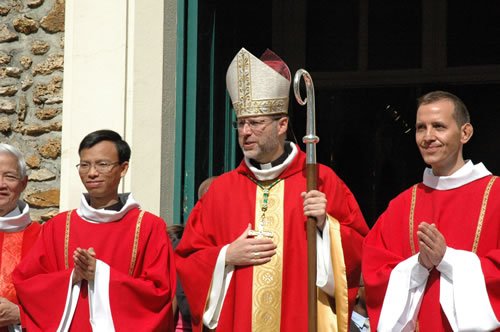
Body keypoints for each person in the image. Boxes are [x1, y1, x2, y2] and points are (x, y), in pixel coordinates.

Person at [175, 48, 369, 332]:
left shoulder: (319, 180)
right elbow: (188, 260)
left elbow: (360, 252)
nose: (245, 132)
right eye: (240, 123)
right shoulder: (222, 191)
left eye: (255, 123)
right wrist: (226, 256)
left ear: (282, 125)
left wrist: (328, 226)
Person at [362, 91, 500, 331]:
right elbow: (373, 274)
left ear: (465, 133)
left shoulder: (496, 194)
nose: (428, 137)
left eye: (438, 126)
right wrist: (418, 266)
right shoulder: (401, 205)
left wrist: (448, 259)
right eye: (420, 128)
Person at [13, 130, 176, 331]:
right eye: (84, 164)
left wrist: (100, 274)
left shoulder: (149, 226)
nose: (91, 172)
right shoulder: (58, 226)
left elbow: (159, 294)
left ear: (123, 168)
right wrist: (72, 277)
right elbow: (27, 282)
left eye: (102, 164)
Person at [0, 143, 42, 332]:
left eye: (9, 176)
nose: (1, 184)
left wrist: (20, 314)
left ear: (24, 183)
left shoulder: (42, 238)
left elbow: (58, 300)